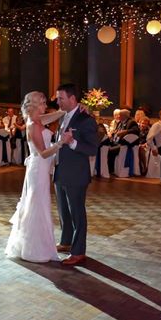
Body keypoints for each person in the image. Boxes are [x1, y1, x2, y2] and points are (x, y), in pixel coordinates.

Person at [6, 92, 66, 263]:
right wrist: (62, 142)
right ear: (33, 105)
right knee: (38, 206)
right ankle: (35, 249)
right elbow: (44, 153)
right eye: (42, 103)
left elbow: (50, 116)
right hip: (38, 168)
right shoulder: (32, 124)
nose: (45, 106)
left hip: (40, 169)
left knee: (39, 205)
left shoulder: (38, 120)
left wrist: (64, 111)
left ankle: (37, 246)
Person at [53, 84, 99, 265]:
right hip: (61, 171)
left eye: (60, 98)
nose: (57, 101)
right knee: (63, 210)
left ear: (72, 99)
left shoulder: (85, 120)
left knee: (77, 213)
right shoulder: (63, 115)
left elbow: (92, 148)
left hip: (76, 174)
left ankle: (79, 251)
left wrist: (72, 143)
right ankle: (66, 241)